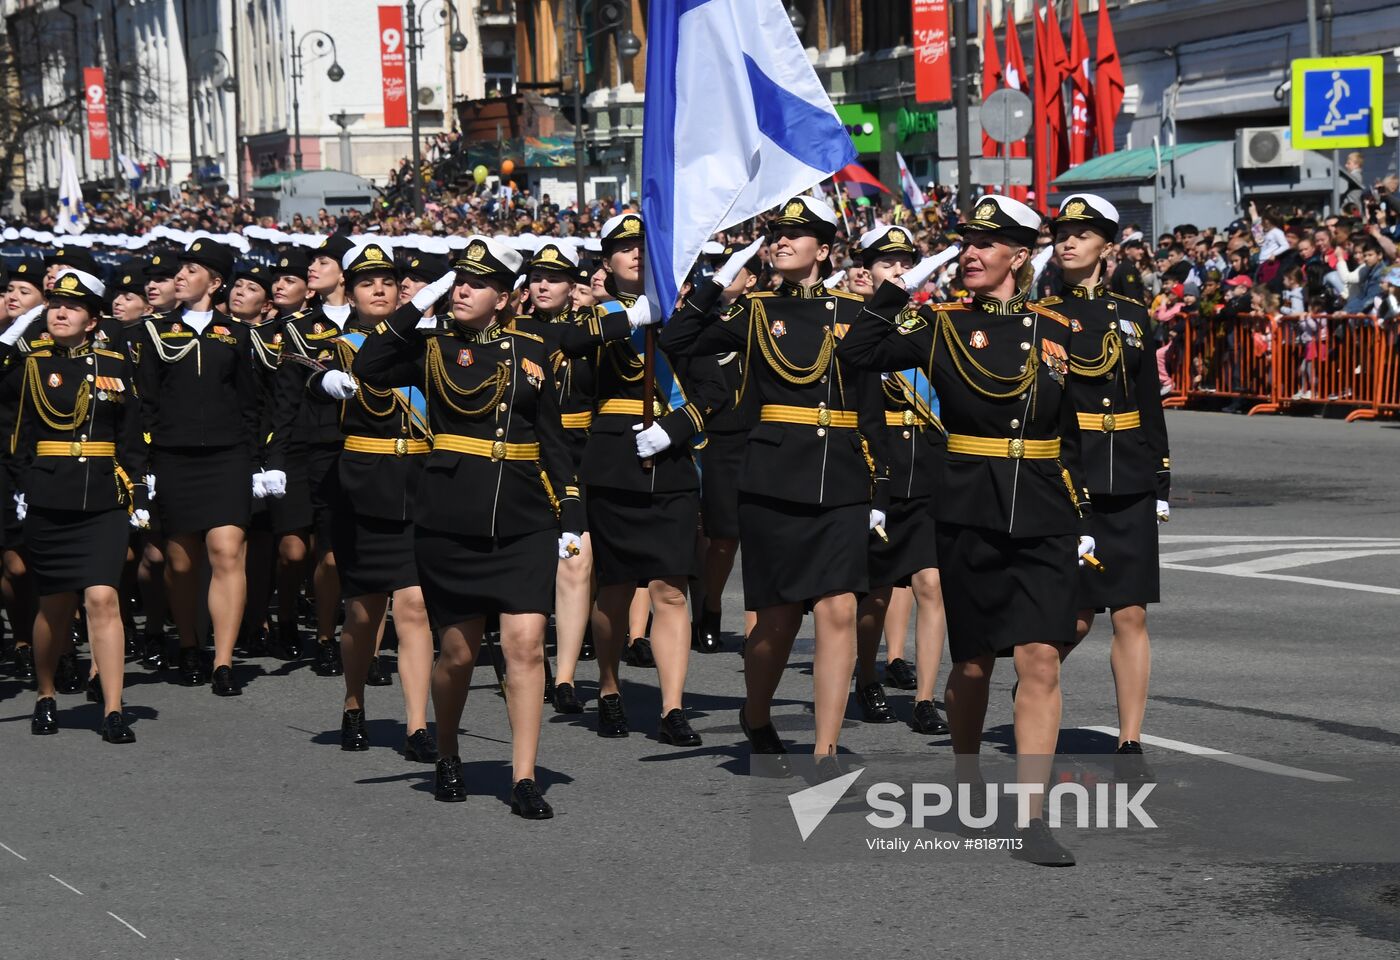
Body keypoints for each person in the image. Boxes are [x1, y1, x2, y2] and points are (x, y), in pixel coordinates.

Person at [837, 194, 1092, 866]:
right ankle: (968, 780)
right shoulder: (942, 326)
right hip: (969, 509)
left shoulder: (1059, 327)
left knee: (1039, 657)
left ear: (1019, 254)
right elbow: (860, 354)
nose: (971, 254)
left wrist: (1088, 519)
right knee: (974, 661)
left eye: (985, 244)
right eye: (964, 244)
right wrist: (895, 291)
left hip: (1042, 510)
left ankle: (1032, 817)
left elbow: (1079, 430)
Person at [353, 235, 584, 819]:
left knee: (525, 647)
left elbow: (552, 437)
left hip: (526, 516)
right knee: (456, 652)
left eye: (476, 284)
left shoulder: (535, 346)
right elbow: (369, 363)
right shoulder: (429, 347)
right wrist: (418, 303)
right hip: (451, 517)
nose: (462, 290)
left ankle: (524, 776)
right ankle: (449, 752)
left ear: (505, 297)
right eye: (458, 281)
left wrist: (572, 514)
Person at [659, 195, 889, 766]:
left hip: (838, 477)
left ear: (824, 248)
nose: (781, 241)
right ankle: (755, 710)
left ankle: (826, 746)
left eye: (796, 234)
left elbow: (871, 409)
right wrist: (719, 284)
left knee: (838, 609)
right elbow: (678, 341)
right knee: (778, 620)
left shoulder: (855, 314)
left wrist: (880, 487)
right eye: (776, 234)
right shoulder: (755, 311)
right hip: (772, 481)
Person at [558, 214, 725, 745]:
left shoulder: (683, 318)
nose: (635, 254)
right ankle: (609, 686)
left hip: (670, 463)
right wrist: (631, 316)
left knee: (671, 587)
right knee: (614, 590)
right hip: (611, 463)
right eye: (623, 248)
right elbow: (573, 366)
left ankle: (672, 706)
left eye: (644, 247)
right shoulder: (595, 320)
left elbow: (713, 391)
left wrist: (676, 428)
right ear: (606, 262)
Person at [1047, 194, 1171, 782]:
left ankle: (1129, 739)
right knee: (1072, 618)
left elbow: (1149, 401)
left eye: (1082, 233)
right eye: (1061, 233)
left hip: (1128, 477)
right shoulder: (1040, 317)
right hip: (1071, 477)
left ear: (1105, 245)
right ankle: (1034, 690)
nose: (1068, 241)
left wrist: (1162, 474)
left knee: (1131, 613)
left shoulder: (1133, 314)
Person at [301, 240, 436, 758]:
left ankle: (417, 724)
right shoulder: (338, 347)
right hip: (363, 485)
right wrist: (324, 382)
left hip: (420, 480)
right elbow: (311, 382)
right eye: (365, 283)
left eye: (387, 282)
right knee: (363, 611)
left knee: (416, 606)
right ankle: (354, 700)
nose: (378, 290)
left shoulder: (427, 342)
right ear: (349, 293)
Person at [2, 268, 147, 742]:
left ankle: (112, 708)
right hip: (50, 497)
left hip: (103, 497)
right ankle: (45, 692)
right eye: (55, 305)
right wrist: (25, 489)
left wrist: (140, 493)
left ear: (93, 319)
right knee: (55, 607)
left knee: (103, 598)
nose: (60, 313)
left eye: (74, 307)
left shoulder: (116, 363)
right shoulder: (29, 364)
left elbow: (131, 438)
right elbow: (17, 437)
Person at [134, 238, 261, 697]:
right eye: (179, 270)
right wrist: (144, 462)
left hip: (227, 457)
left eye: (191, 269)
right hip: (174, 456)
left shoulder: (240, 334)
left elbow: (250, 403)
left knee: (228, 552)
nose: (180, 276)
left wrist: (258, 461)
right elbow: (145, 402)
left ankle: (223, 661)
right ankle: (189, 642)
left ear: (216, 281)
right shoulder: (154, 333)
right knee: (182, 562)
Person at [846, 225, 950, 736]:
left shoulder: (927, 322)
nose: (897, 271)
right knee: (879, 589)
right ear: (866, 270)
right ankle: (866, 674)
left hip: (928, 461)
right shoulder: (852, 323)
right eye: (887, 264)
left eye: (904, 262)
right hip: (877, 462)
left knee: (931, 583)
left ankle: (927, 696)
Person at [511, 240, 598, 715]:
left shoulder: (589, 330)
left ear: (573, 287)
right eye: (536, 278)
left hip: (580, 453)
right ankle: (531, 658)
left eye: (555, 279)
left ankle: (564, 676)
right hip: (527, 453)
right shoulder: (511, 330)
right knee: (530, 563)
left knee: (576, 558)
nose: (543, 285)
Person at [272, 234, 356, 670]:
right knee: (294, 552)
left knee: (335, 549)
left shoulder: (368, 322)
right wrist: (274, 460)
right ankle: (288, 616)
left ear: (344, 272)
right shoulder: (296, 328)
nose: (312, 267)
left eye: (324, 260)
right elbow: (285, 400)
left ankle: (333, 638)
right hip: (306, 448)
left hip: (354, 447)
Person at [691, 242, 765, 656]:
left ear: (752, 279)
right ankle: (711, 606)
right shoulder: (707, 321)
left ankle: (756, 624)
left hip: (762, 436)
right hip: (721, 440)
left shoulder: (766, 316)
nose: (723, 275)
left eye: (734, 269)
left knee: (759, 537)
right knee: (723, 539)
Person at [1, 258, 46, 683]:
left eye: (23, 291)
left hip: (16, 460)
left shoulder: (30, 343)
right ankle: (21, 641)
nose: (12, 297)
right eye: (8, 289)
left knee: (19, 564)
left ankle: (37, 639)